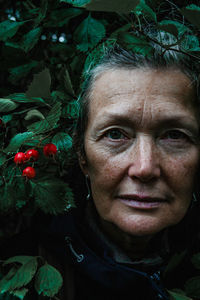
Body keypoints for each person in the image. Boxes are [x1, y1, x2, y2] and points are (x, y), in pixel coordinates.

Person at [42, 44, 200, 300]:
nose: (145, 167)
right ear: (82, 155)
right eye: (115, 134)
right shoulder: (23, 267)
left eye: (174, 135)